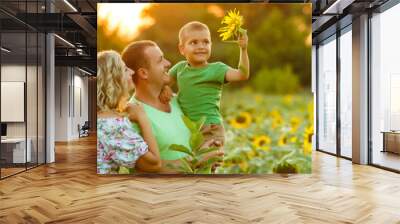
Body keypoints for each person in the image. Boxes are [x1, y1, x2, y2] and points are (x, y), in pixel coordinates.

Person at [121, 40, 222, 173]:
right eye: (160, 60)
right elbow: (147, 168)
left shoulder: (175, 100)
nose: (168, 63)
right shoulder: (132, 115)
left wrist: (210, 153)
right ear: (143, 73)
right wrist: (196, 161)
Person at [161, 21, 250, 155]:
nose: (201, 46)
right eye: (194, 42)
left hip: (210, 129)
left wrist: (243, 49)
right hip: (188, 128)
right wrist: (164, 87)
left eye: (206, 42)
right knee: (191, 168)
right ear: (182, 49)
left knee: (205, 166)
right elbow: (163, 80)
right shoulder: (180, 68)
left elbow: (242, 75)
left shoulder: (217, 69)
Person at [97, 50, 161, 174]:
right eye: (125, 70)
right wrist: (142, 117)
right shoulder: (113, 126)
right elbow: (154, 164)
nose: (132, 72)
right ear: (114, 80)